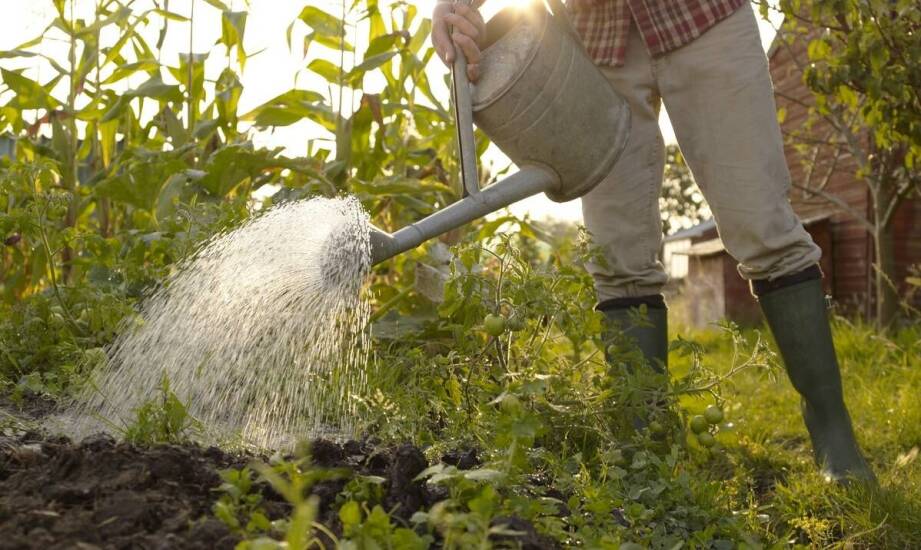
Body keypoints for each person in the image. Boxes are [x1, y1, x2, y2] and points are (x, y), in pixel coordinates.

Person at [431, 0, 875, 484]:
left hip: (704, 18)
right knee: (617, 254)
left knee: (762, 227)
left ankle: (832, 429)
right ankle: (641, 448)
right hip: (595, 39)